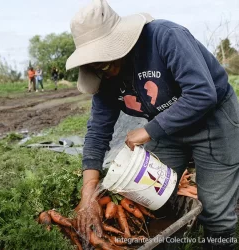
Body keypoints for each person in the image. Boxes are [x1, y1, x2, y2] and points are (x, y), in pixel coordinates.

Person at [66, 1, 239, 249]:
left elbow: (202, 93)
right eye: (99, 66)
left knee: (215, 213)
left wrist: (148, 131)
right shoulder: (104, 75)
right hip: (168, 127)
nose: (108, 71)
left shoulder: (165, 38)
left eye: (108, 62)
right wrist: (88, 193)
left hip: (213, 122)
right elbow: (98, 131)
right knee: (153, 200)